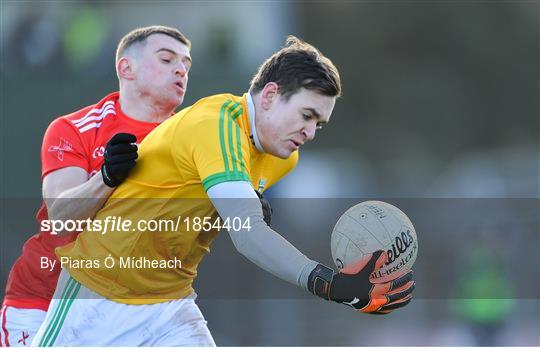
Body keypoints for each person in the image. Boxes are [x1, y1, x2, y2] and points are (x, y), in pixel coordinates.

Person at [33, 36, 415, 347]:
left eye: (320, 124)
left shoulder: (283, 157)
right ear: (268, 95)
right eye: (306, 115)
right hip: (98, 297)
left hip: (169, 304)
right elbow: (248, 235)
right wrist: (329, 283)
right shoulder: (216, 123)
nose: (311, 132)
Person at [0, 25, 193, 347]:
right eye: (166, 58)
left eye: (186, 64)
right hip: (45, 304)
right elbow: (61, 217)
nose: (180, 69)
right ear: (125, 68)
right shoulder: (74, 127)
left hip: (140, 310)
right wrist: (105, 179)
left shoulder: (190, 137)